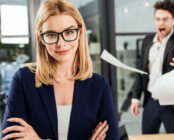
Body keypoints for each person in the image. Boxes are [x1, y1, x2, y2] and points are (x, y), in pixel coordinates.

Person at [1, 0, 119, 139]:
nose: (61, 43)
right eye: (51, 35)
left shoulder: (98, 85)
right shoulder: (23, 80)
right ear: (41, 38)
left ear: (80, 32)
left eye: (68, 32)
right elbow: (10, 137)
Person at [130, 0, 174, 134]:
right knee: (147, 137)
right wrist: (135, 98)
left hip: (173, 105)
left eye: (165, 19)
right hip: (151, 101)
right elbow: (141, 72)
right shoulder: (147, 41)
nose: (161, 23)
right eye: (158, 19)